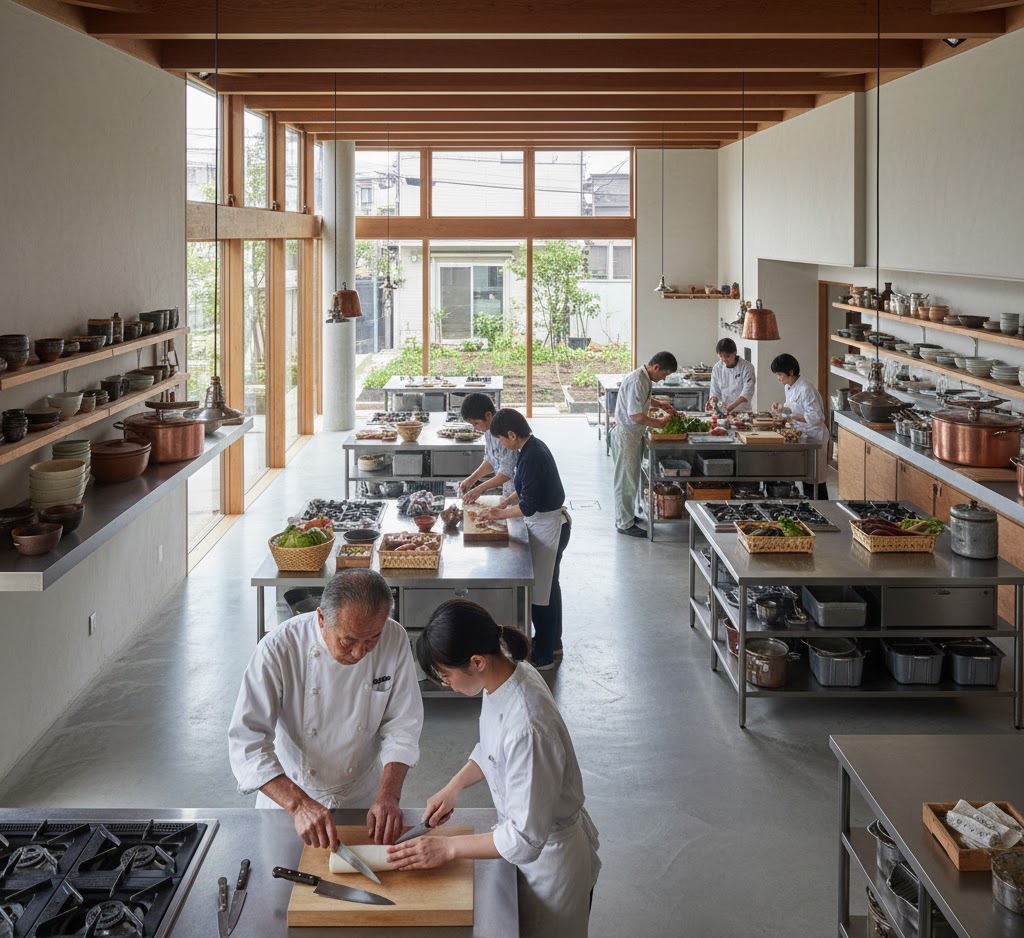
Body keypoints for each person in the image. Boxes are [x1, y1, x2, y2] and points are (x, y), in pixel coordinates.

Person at [387, 600, 601, 938]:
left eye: (446, 676)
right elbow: (493, 749)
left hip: (550, 867)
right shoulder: (503, 675)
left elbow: (524, 839)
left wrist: (447, 848)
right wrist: (454, 786)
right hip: (532, 851)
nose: (447, 684)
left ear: (477, 662)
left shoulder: (528, 727)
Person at [228, 570, 423, 848]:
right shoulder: (279, 647)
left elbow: (403, 725)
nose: (359, 653)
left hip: (363, 798)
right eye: (348, 640)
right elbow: (248, 742)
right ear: (321, 618)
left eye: (372, 639)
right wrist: (298, 805)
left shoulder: (394, 637)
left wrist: (389, 795)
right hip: (291, 797)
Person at [474, 408, 569, 670]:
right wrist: (503, 503)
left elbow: (528, 506)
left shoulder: (531, 457)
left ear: (512, 435)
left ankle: (545, 656)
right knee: (549, 590)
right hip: (545, 524)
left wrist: (498, 514)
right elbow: (524, 488)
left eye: (501, 439)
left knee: (542, 595)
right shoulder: (531, 448)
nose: (502, 444)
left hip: (549, 526)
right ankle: (553, 643)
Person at [611, 351, 679, 537]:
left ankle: (626, 516)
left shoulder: (644, 378)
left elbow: (642, 400)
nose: (664, 378)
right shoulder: (637, 380)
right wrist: (659, 423)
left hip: (633, 434)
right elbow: (636, 415)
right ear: (656, 367)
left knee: (631, 477)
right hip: (627, 434)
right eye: (664, 374)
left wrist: (659, 404)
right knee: (626, 480)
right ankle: (624, 524)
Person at [770, 353, 829, 499]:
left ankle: (821, 508)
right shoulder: (789, 386)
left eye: (780, 374)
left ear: (791, 372)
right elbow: (791, 410)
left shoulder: (806, 389)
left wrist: (791, 416)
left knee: (815, 480)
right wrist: (780, 409)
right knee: (805, 476)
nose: (778, 378)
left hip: (814, 437)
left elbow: (816, 417)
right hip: (802, 435)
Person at [458, 392, 518, 503]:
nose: (475, 428)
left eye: (476, 423)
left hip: (520, 494)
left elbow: (507, 473)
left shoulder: (506, 433)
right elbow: (491, 459)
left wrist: (480, 489)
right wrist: (472, 479)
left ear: (488, 415)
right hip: (508, 492)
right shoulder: (488, 431)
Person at [708, 337, 756, 415]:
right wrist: (713, 400)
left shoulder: (747, 367)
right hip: (722, 412)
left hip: (742, 412)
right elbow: (715, 390)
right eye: (720, 356)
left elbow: (747, 392)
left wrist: (729, 408)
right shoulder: (717, 367)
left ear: (735, 353)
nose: (724, 359)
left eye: (727, 356)